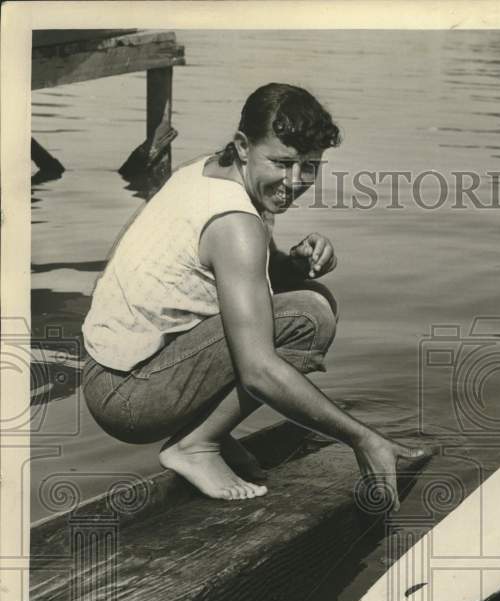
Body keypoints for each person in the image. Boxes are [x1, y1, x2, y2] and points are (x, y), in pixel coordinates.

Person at [82, 83, 426, 506]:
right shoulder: (236, 223)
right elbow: (258, 370)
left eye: (310, 167)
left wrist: (292, 265)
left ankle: (209, 435)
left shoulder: (209, 170)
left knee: (304, 294)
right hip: (129, 396)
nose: (295, 181)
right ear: (243, 146)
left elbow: (226, 277)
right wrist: (363, 439)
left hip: (111, 373)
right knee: (310, 315)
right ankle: (196, 445)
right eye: (281, 162)